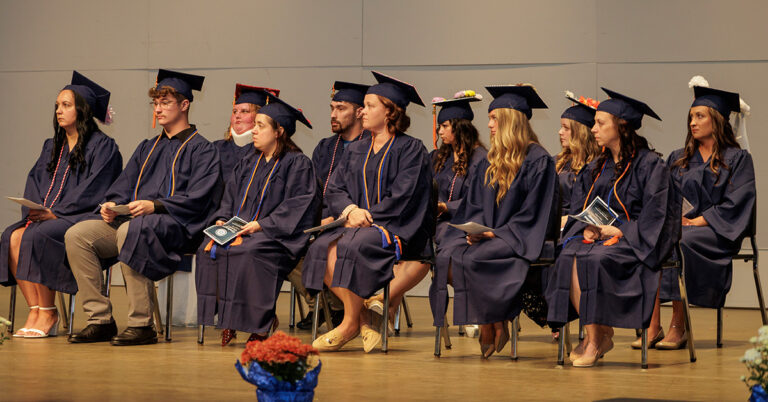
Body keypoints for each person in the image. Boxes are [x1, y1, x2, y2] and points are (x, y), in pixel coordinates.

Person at [65, 69, 223, 346]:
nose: (158, 109)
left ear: (185, 105)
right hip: (132, 223)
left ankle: (141, 324)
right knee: (78, 235)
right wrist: (112, 204)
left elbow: (200, 198)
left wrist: (156, 205)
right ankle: (100, 318)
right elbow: (123, 184)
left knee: (132, 231)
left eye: (165, 103)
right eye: (156, 103)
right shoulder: (147, 147)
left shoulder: (203, 150)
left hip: (177, 226)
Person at [545, 88, 679, 367]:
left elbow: (657, 216)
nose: (593, 129)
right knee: (568, 252)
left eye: (600, 123)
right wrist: (587, 227)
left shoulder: (650, 165)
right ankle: (598, 333)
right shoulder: (597, 166)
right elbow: (581, 208)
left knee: (594, 258)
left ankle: (595, 339)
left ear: (622, 126)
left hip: (634, 241)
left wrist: (623, 231)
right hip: (600, 238)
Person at [302, 71, 432, 353]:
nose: (363, 111)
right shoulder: (357, 149)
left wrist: (366, 217)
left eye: (371, 105)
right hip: (355, 224)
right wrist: (350, 211)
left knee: (351, 243)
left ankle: (348, 323)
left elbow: (404, 196)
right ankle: (362, 320)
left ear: (390, 112)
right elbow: (334, 187)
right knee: (319, 248)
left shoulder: (411, 149)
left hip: (396, 227)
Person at [436, 85, 557, 358]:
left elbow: (535, 214)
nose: (488, 124)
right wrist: (475, 230)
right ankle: (494, 320)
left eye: (494, 119)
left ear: (510, 122)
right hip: (491, 234)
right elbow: (475, 206)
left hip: (521, 236)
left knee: (477, 257)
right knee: (449, 254)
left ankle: (492, 320)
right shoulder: (491, 160)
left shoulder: (539, 160)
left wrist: (496, 234)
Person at [0, 71, 122, 338]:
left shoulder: (103, 147)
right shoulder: (51, 145)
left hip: (82, 218)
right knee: (11, 236)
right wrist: (35, 209)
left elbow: (97, 189)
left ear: (82, 109)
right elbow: (35, 180)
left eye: (66, 105)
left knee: (38, 234)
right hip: (49, 216)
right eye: (57, 105)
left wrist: (57, 213)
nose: (59, 111)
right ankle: (35, 309)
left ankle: (49, 310)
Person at [196, 92, 319, 344]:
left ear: (279, 131)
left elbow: (298, 205)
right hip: (242, 230)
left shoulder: (298, 164)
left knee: (249, 252)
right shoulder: (248, 161)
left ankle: (261, 324)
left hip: (277, 237)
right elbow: (229, 196)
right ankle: (228, 319)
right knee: (208, 249)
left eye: (260, 126)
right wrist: (222, 218)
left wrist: (262, 224)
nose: (253, 130)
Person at [654, 86, 755, 350]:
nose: (692, 123)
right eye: (690, 117)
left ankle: (678, 324)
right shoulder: (679, 158)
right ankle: (652, 325)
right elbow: (665, 199)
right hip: (683, 229)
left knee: (679, 242)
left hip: (719, 233)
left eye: (700, 116)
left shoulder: (738, 159)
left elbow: (737, 203)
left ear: (717, 120)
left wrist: (699, 221)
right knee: (658, 240)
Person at [291, 81, 369, 331]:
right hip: (322, 220)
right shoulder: (325, 147)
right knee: (285, 245)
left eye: (341, 108)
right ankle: (322, 305)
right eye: (332, 108)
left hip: (354, 222)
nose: (333, 115)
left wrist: (336, 219)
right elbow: (312, 192)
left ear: (359, 112)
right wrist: (317, 219)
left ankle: (340, 309)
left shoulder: (372, 146)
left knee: (327, 247)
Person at [424, 91, 488, 337]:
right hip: (437, 226)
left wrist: (446, 207)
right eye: (439, 126)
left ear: (460, 127)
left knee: (449, 256)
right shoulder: (438, 157)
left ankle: (472, 308)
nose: (440, 132)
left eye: (445, 126)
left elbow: (479, 199)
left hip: (464, 225)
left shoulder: (481, 159)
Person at [214, 84, 280, 179]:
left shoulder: (266, 153)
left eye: (245, 111)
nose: (237, 115)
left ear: (260, 117)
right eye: (234, 111)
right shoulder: (216, 148)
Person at [556, 93, 600, 228]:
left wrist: (569, 221)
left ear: (581, 133)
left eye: (566, 128)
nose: (560, 132)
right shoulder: (556, 162)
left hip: (577, 229)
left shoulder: (598, 166)